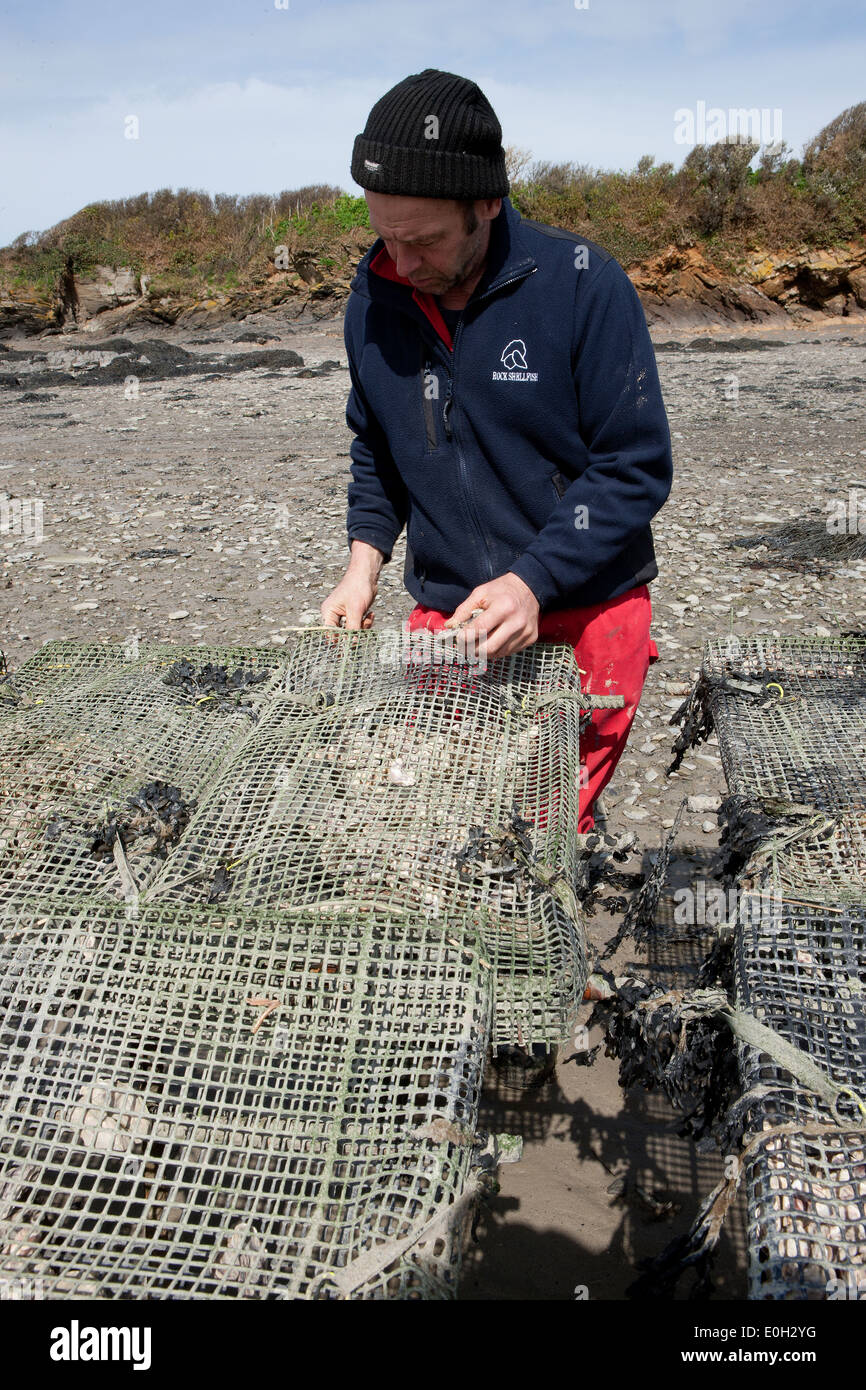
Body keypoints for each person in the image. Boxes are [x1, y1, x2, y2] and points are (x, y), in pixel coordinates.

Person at [321, 69, 673, 830]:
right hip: (451, 615)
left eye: (424, 242)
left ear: (487, 202)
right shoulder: (373, 303)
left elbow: (634, 465)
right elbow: (376, 444)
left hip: (589, 608)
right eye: (386, 237)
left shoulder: (584, 285)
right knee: (443, 817)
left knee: (543, 826)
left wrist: (533, 581)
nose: (402, 264)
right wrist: (362, 566)